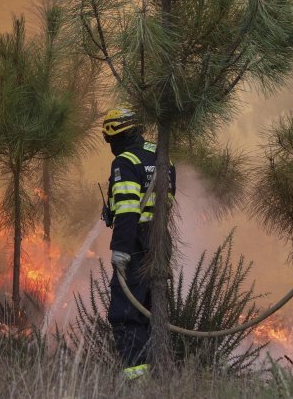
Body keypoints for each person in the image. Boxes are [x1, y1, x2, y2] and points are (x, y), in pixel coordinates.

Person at [101, 107, 175, 380]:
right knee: (152, 307)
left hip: (135, 241)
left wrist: (121, 250)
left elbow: (127, 211)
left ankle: (136, 376)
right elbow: (167, 203)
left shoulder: (125, 161)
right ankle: (159, 371)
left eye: (110, 140)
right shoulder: (162, 156)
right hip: (160, 240)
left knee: (125, 311)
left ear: (117, 135)